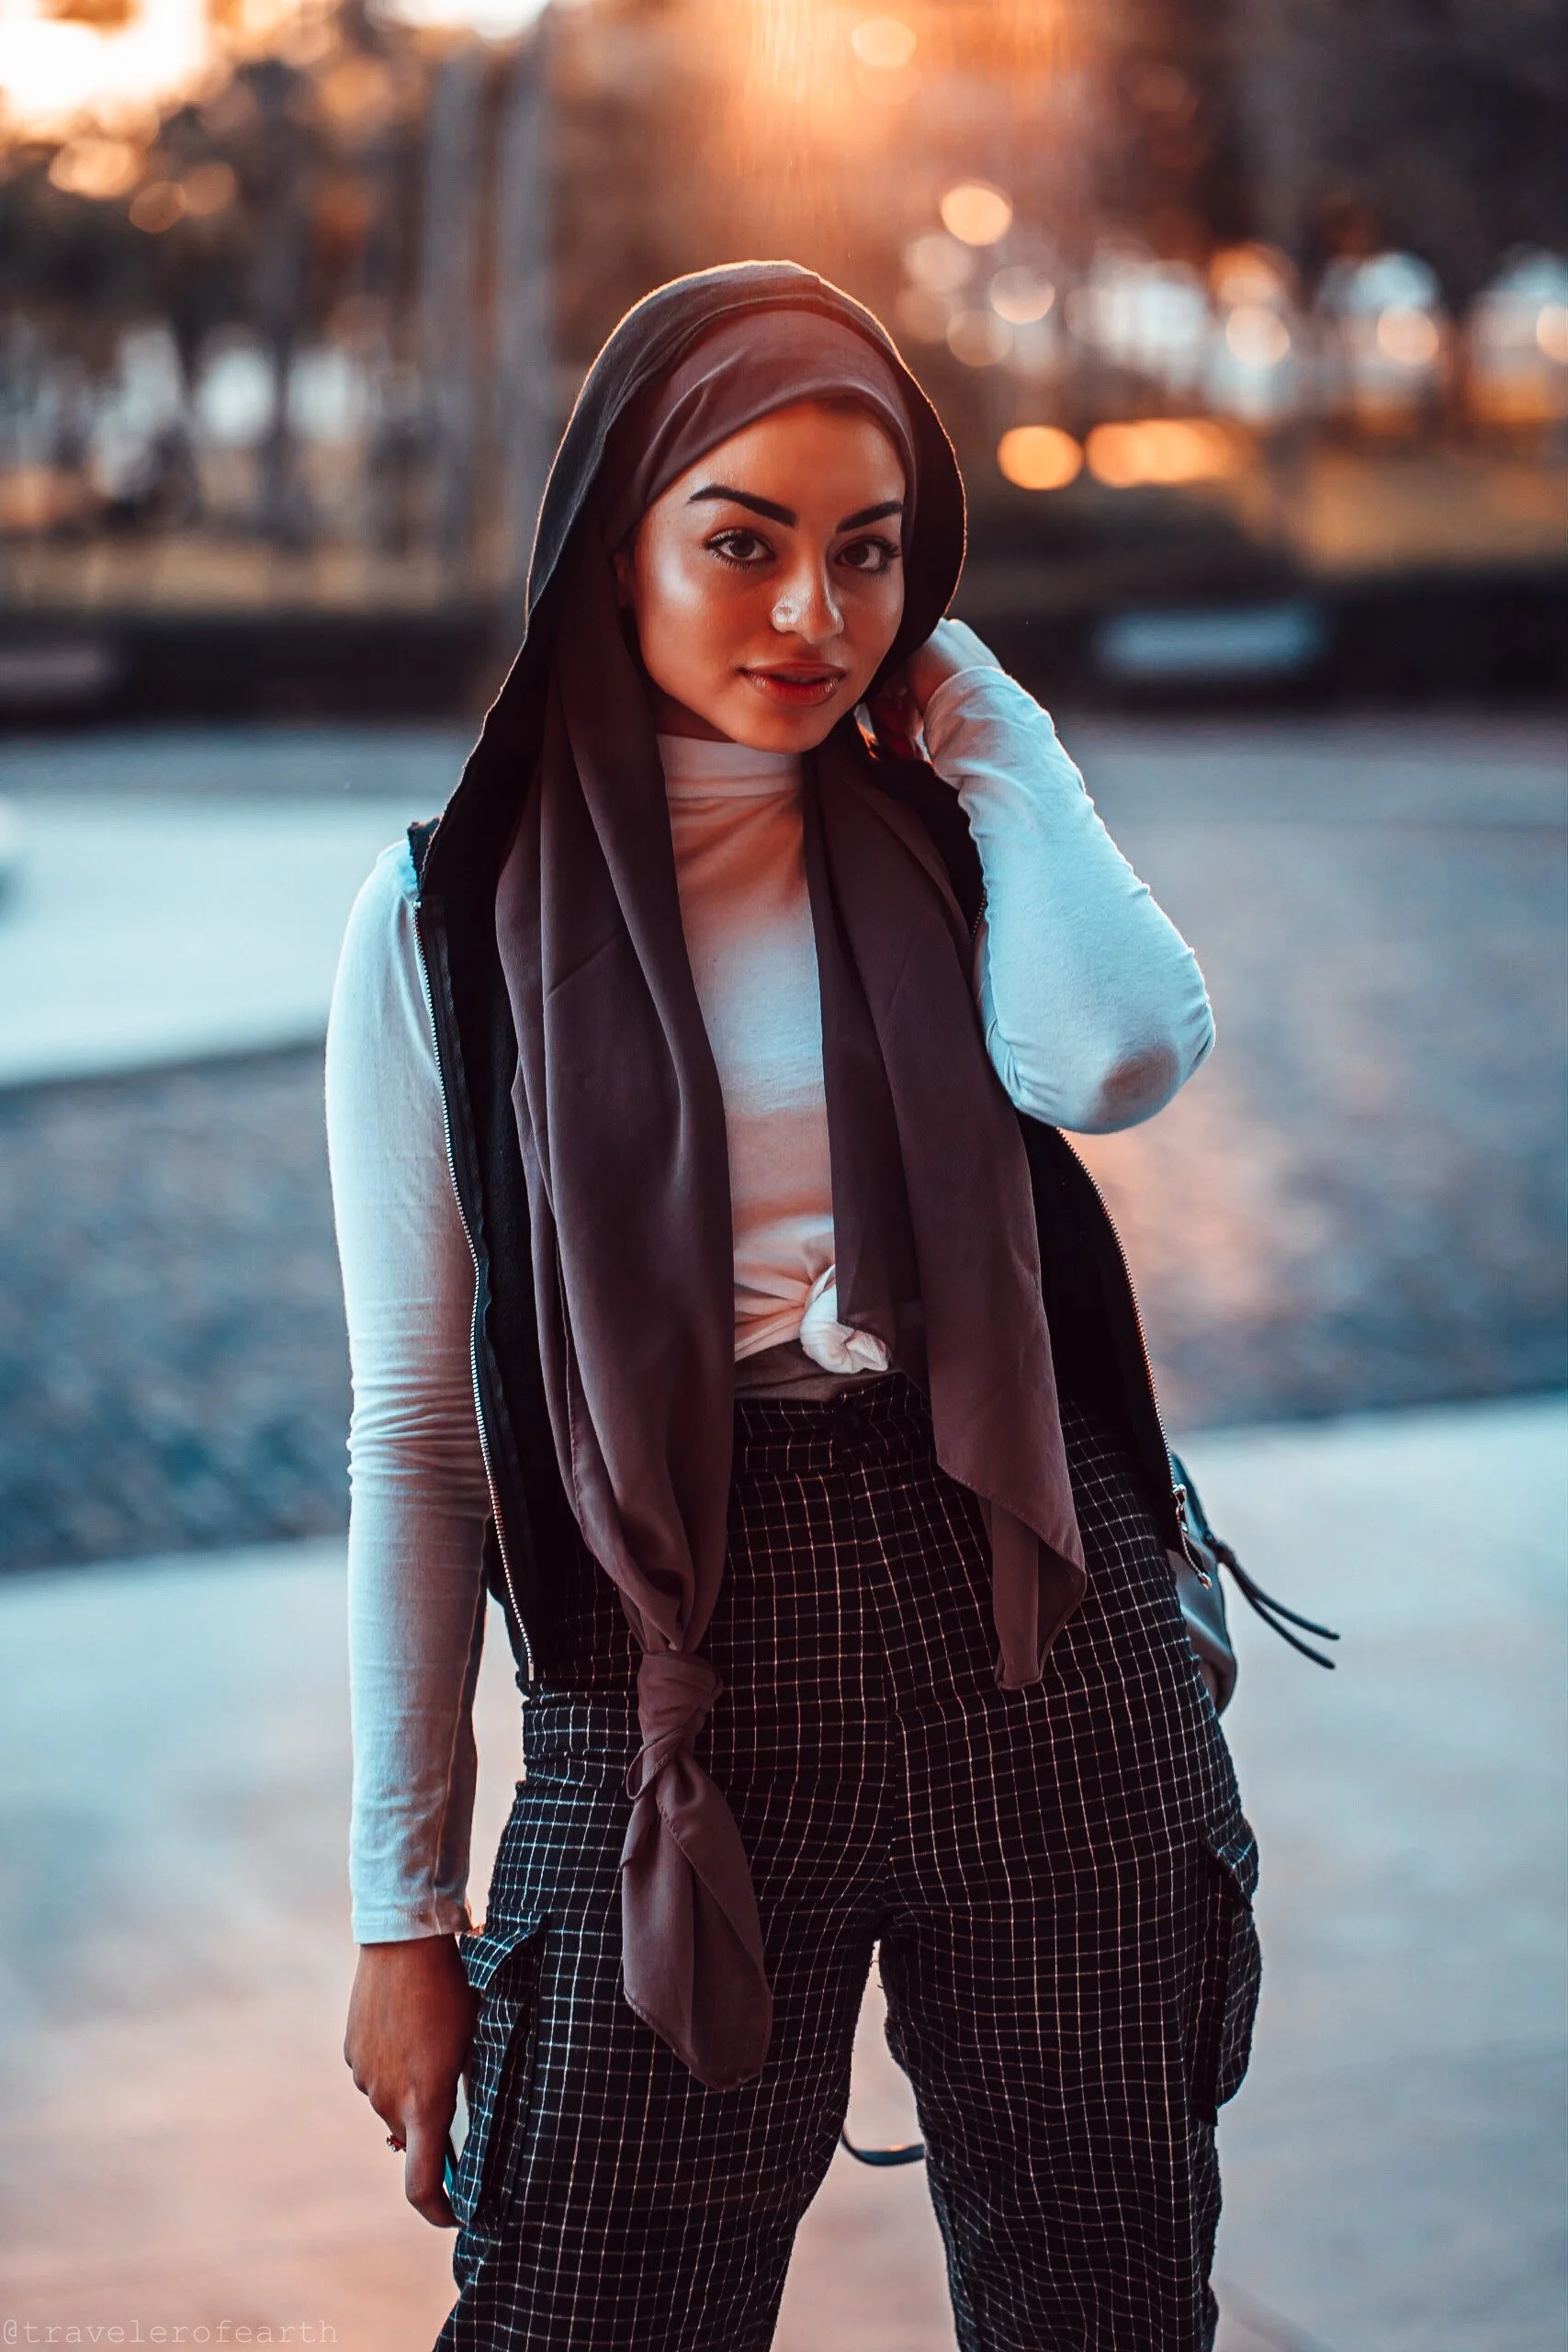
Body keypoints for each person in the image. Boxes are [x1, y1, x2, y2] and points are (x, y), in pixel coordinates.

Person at [325, 262, 1260, 2352]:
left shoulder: (945, 830)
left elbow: (1113, 1056)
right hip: (674, 1666)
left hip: (1036, 1613)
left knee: (1104, 2306)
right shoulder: (448, 922)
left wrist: (994, 725)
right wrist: (408, 1905)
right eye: (741, 541)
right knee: (588, 2307)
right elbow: (418, 1430)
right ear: (614, 547)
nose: (810, 618)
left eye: (869, 555)